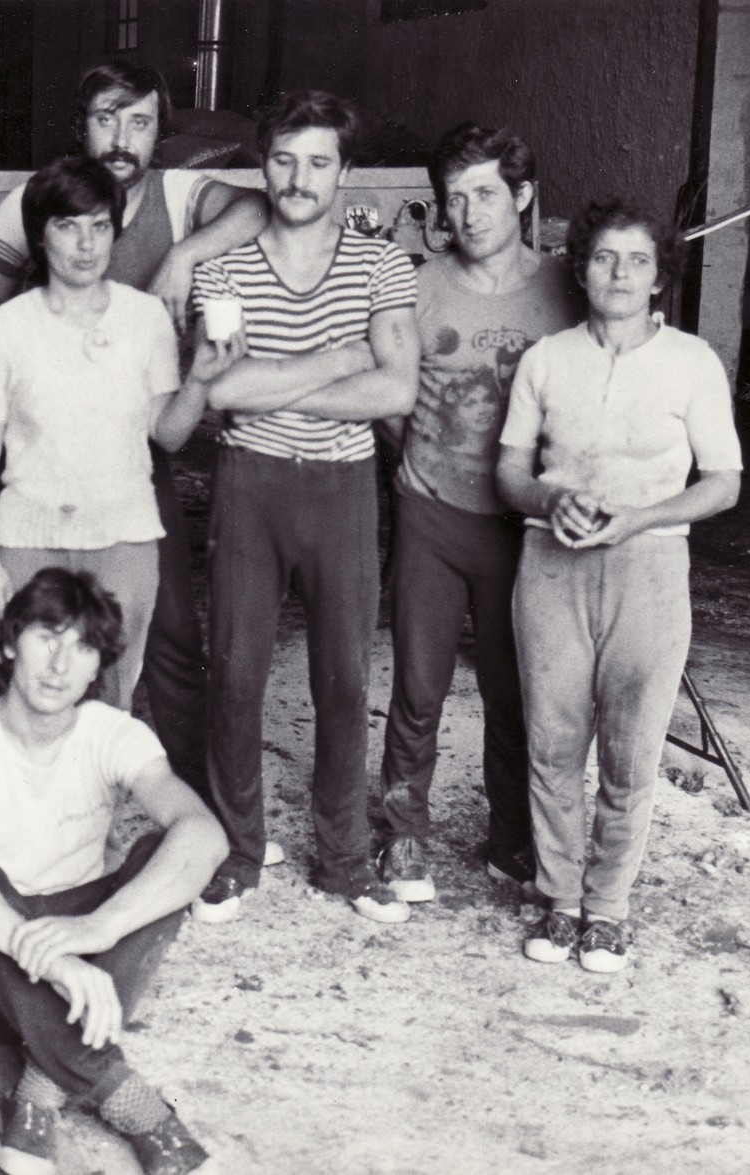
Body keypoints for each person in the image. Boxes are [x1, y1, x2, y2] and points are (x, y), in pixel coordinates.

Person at [0, 55, 256, 798]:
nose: (123, 139)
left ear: (161, 131)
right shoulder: (27, 206)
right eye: (106, 119)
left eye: (141, 122)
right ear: (80, 126)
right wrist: (34, 356)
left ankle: (189, 793)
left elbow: (256, 209)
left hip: (134, 451)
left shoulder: (178, 195)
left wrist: (184, 257)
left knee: (167, 629)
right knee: (38, 646)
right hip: (44, 457)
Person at [0, 568, 226, 1175]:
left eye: (81, 647)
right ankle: (138, 1108)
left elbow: (203, 834)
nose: (59, 665)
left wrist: (100, 928)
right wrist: (51, 960)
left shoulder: (114, 734)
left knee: (163, 854)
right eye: (46, 638)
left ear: (97, 665)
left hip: (85, 946)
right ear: (10, 643)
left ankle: (38, 1091)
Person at [189, 90, 420, 925]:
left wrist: (275, 383)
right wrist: (337, 357)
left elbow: (396, 390)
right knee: (236, 673)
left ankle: (344, 860)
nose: (298, 177)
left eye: (319, 162)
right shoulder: (224, 268)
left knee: (344, 679)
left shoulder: (382, 264)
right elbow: (222, 390)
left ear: (345, 173)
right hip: (249, 483)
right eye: (284, 159)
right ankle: (236, 853)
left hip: (342, 489)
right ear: (263, 164)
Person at [497, 198, 741, 973]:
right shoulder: (546, 359)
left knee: (631, 751)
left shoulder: (692, 362)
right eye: (604, 257)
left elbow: (724, 482)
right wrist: (549, 499)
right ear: (581, 268)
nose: (620, 274)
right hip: (551, 563)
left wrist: (640, 517)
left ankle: (607, 909)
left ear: (660, 275)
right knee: (553, 741)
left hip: (651, 566)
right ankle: (560, 899)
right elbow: (509, 472)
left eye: (638, 260)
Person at [372, 124, 584, 904]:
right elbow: (387, 391)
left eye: (486, 194)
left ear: (522, 197)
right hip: (432, 514)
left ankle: (512, 837)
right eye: (454, 198)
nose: (468, 213)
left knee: (513, 687)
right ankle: (403, 832)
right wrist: (414, 460)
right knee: (418, 684)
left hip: (521, 528)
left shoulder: (565, 287)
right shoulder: (418, 284)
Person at [0, 154, 224, 711]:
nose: (86, 245)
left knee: (109, 704)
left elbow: (168, 435)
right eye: (68, 226)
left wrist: (200, 380)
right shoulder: (2, 330)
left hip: (124, 541)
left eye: (100, 226)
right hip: (28, 541)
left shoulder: (146, 318)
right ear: (40, 236)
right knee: (31, 700)